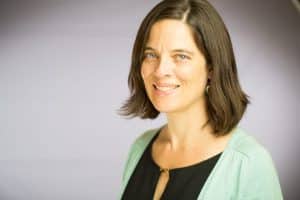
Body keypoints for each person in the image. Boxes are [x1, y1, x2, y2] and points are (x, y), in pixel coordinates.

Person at [118, 0, 283, 199]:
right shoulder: (140, 147)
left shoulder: (248, 162)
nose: (161, 71)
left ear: (212, 68)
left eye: (181, 56)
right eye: (151, 54)